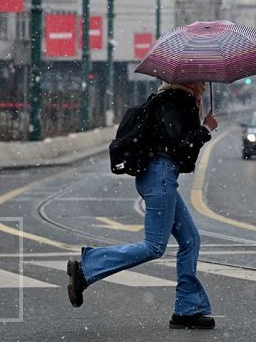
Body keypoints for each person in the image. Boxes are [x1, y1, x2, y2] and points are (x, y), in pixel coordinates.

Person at [67, 81, 218, 330]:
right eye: (200, 80)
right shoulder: (176, 101)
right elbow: (181, 147)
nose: (203, 84)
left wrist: (199, 120)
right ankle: (87, 268)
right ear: (188, 81)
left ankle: (188, 309)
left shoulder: (171, 101)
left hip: (158, 175)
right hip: (160, 176)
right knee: (154, 246)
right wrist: (205, 128)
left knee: (190, 239)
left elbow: (180, 150)